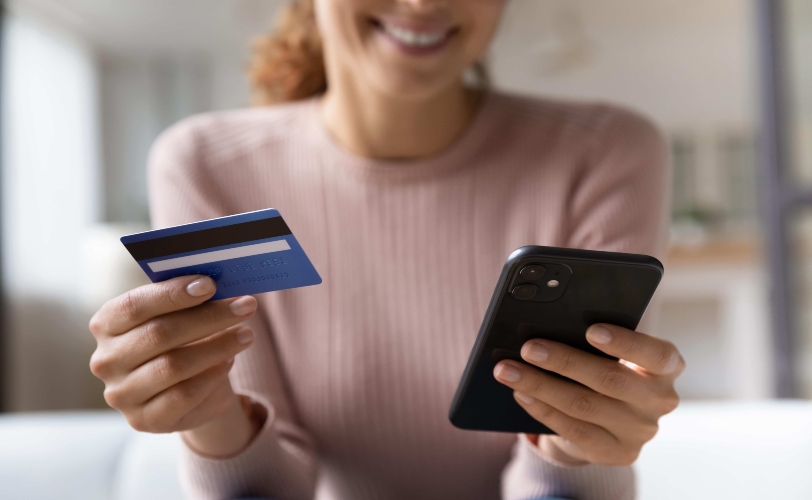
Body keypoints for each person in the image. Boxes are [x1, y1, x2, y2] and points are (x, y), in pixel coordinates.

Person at [88, 0, 685, 499]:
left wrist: (579, 444)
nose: (425, 2)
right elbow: (267, 484)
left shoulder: (603, 153)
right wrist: (206, 416)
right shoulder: (211, 166)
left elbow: (570, 472)